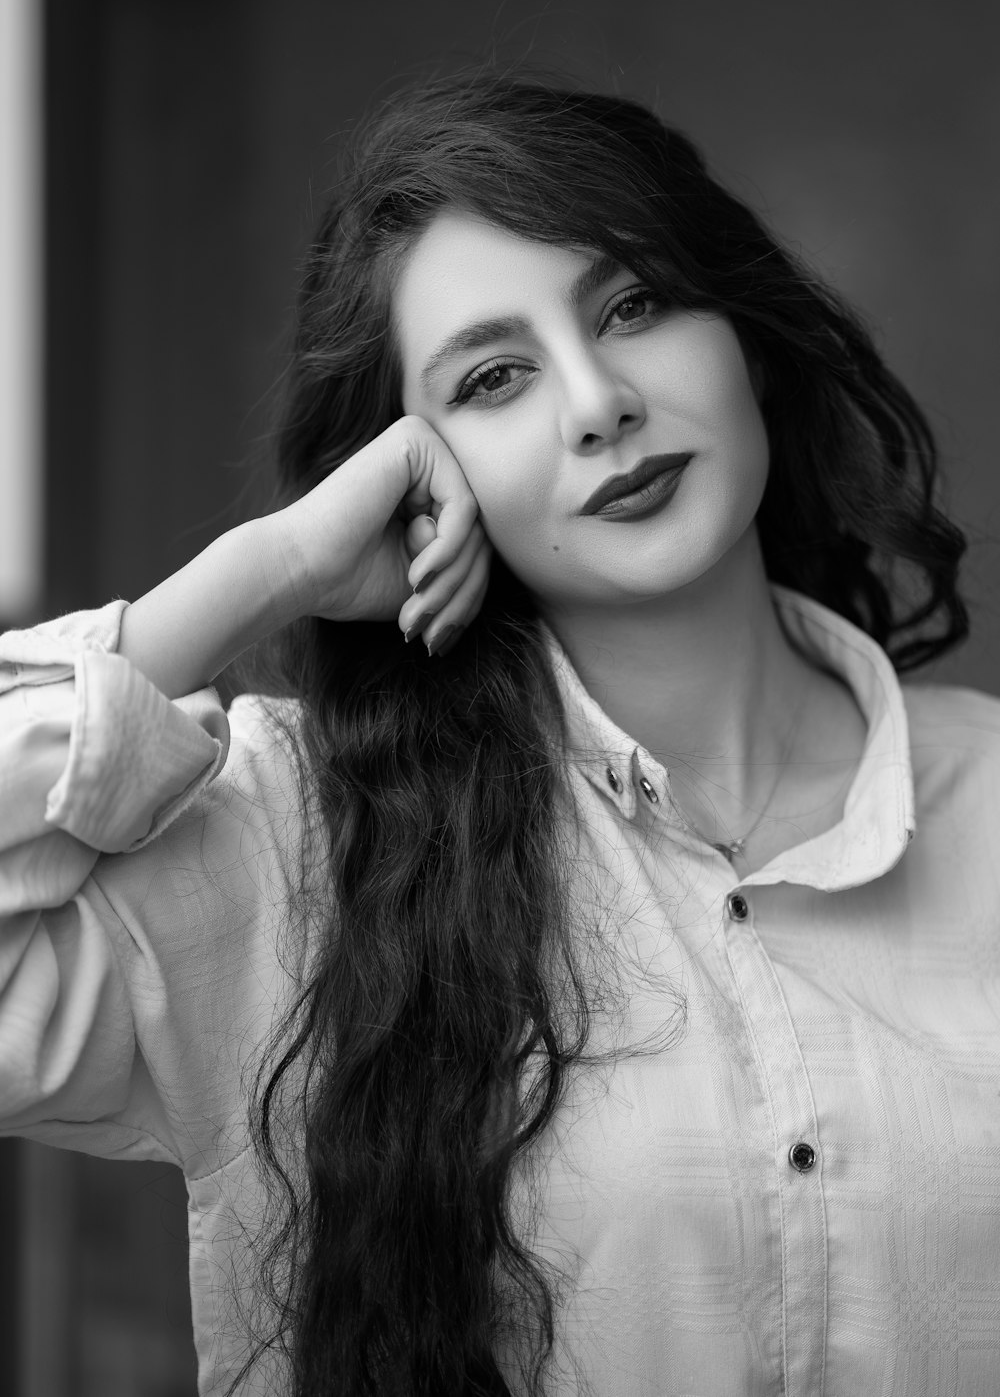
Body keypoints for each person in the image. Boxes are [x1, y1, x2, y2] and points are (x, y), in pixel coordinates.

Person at [1, 68, 997, 1397]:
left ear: (743, 332)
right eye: (494, 379)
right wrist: (273, 566)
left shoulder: (988, 799)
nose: (596, 403)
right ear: (407, 467)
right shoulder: (295, 844)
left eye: (633, 304)